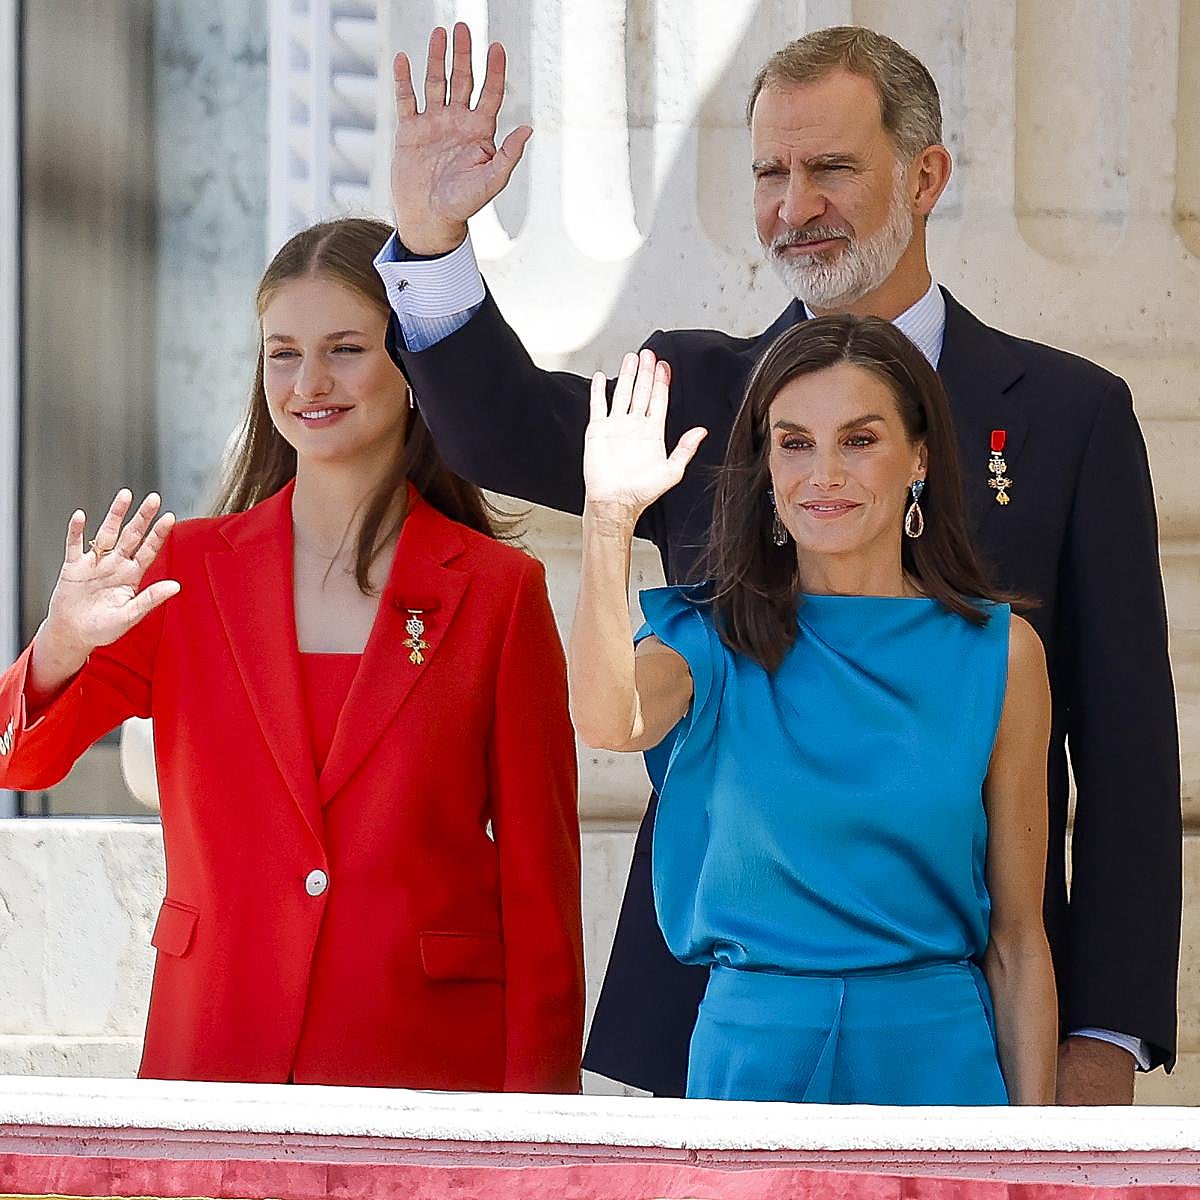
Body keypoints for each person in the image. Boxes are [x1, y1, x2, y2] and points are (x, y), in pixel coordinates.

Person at [378, 25, 1181, 1103]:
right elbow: (503, 431)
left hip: (972, 1035)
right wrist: (433, 245)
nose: (793, 206)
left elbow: (1126, 749)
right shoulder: (703, 392)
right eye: (769, 172)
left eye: (830, 169)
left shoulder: (1073, 415)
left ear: (926, 175)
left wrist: (1105, 1035)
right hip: (725, 1028)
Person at [0, 216, 585, 1092]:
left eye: (345, 348)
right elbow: (26, 761)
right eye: (283, 352)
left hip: (426, 1072)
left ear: (412, 367)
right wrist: (59, 646)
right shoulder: (182, 570)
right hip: (217, 1055)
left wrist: (543, 1134)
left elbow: (542, 895)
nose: (309, 381)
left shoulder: (500, 592)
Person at [568, 320, 1057, 1104]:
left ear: (920, 457)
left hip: (939, 1065)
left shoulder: (1001, 655)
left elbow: (1019, 942)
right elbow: (606, 719)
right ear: (766, 466)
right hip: (753, 1062)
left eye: (858, 440)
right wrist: (607, 521)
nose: (823, 473)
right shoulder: (710, 639)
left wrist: (1033, 1162)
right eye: (794, 443)